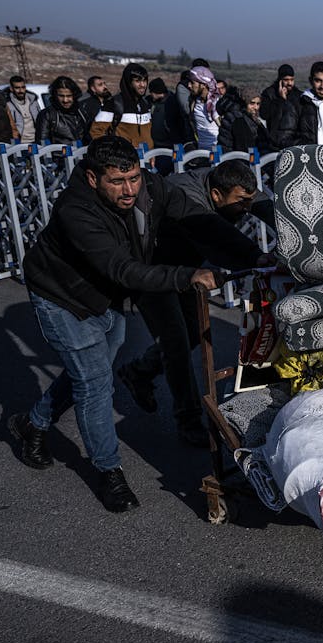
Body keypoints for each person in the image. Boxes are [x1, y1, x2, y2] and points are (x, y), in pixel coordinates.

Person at [8, 135, 220, 512]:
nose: (129, 190)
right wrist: (186, 276)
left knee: (91, 374)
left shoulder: (149, 188)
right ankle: (109, 473)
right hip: (62, 297)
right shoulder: (76, 210)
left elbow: (197, 220)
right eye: (117, 182)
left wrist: (251, 254)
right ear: (93, 179)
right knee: (94, 385)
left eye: (134, 179)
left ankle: (34, 423)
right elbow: (122, 268)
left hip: (104, 294)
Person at [116, 159, 270, 446]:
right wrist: (255, 256)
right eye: (241, 203)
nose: (247, 209)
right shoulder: (189, 196)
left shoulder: (232, 183)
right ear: (216, 195)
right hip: (151, 268)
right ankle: (187, 419)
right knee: (175, 339)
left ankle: (139, 371)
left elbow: (264, 205)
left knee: (193, 332)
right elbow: (213, 231)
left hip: (186, 268)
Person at [90, 64, 152, 150]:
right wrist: (111, 153)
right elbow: (96, 131)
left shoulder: (145, 104)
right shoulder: (114, 103)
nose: (142, 85)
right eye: (137, 81)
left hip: (146, 160)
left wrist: (152, 154)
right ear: (129, 83)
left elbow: (148, 135)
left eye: (145, 80)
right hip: (123, 161)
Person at [35, 76, 88, 146]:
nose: (65, 100)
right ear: (55, 96)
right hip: (59, 155)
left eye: (69, 96)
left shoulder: (81, 112)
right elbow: (42, 143)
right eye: (61, 96)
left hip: (81, 154)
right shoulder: (47, 114)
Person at [216, 87, 268, 153]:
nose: (256, 107)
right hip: (236, 159)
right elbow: (243, 147)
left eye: (258, 104)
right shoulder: (237, 119)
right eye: (252, 103)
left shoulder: (253, 118)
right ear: (244, 103)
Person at [259, 64, 298, 151]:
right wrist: (280, 100)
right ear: (280, 80)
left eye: (292, 80)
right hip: (275, 143)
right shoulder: (269, 94)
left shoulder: (298, 95)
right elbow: (264, 114)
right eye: (286, 80)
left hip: (294, 141)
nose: (289, 83)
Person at [187, 65, 221, 151]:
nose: (189, 86)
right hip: (201, 152)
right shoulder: (194, 102)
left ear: (203, 85)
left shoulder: (216, 104)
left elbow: (223, 129)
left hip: (217, 153)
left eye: (192, 83)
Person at [5, 76, 39, 144]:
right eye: (17, 88)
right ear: (11, 89)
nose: (21, 91)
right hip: (20, 142)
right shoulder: (8, 104)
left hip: (36, 140)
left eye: (23, 87)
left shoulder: (33, 101)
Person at [148, 78, 171, 149]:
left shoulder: (171, 102)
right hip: (153, 144)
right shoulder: (148, 101)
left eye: (151, 91)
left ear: (156, 91)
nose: (150, 94)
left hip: (168, 144)